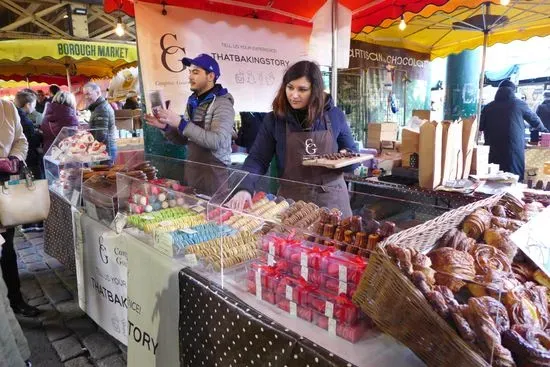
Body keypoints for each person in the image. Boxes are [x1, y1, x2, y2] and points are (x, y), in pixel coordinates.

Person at [228, 61, 357, 216]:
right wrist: (245, 187)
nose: (294, 95)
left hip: (332, 200)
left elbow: (352, 155)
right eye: (290, 87)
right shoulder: (275, 120)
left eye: (302, 89)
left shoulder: (334, 115)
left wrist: (344, 157)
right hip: (292, 202)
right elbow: (258, 159)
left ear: (315, 90)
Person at [145, 53, 235, 195]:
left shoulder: (223, 104)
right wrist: (166, 127)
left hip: (214, 175)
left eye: (196, 72)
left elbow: (216, 141)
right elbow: (183, 140)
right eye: (189, 72)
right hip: (193, 172)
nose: (190, 76)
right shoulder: (192, 102)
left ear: (210, 76)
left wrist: (181, 123)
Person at [0, 99, 40, 317]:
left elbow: (20, 139)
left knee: (6, 246)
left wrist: (14, 158)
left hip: (4, 182)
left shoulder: (6, 107)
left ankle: (15, 299)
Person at [480, 79, 548, 180]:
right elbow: (535, 121)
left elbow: (480, 126)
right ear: (513, 91)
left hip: (493, 149)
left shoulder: (488, 107)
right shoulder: (519, 104)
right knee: (513, 178)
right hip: (513, 149)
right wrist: (545, 131)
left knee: (493, 178)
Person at [83, 82, 117, 160]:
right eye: (85, 94)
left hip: (105, 149)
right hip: (103, 148)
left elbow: (101, 135)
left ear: (98, 92)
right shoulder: (98, 107)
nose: (86, 97)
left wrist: (89, 146)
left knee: (105, 172)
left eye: (88, 94)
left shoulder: (101, 109)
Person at [14, 90, 42, 180]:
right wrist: (40, 135)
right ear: (27, 104)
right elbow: (30, 141)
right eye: (34, 104)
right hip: (28, 158)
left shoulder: (15, 116)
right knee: (35, 182)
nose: (34, 107)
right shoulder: (24, 121)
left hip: (18, 156)